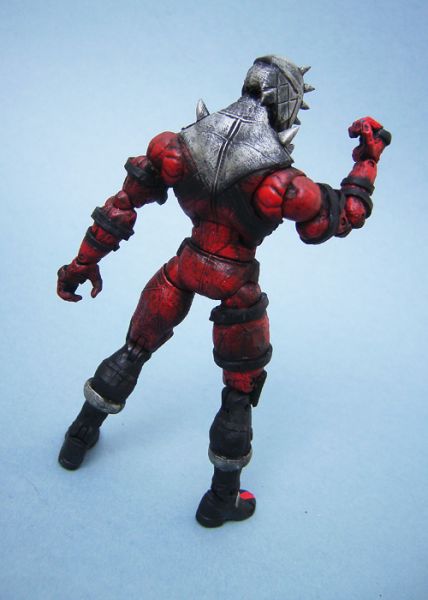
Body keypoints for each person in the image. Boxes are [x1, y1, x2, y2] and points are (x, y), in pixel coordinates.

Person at [57, 55, 390, 527]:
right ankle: (221, 500)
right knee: (238, 394)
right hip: (237, 285)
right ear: (287, 105)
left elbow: (122, 205)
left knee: (133, 350)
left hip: (185, 266)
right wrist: (368, 158)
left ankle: (78, 438)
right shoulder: (282, 184)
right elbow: (345, 217)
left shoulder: (175, 148)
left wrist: (82, 263)